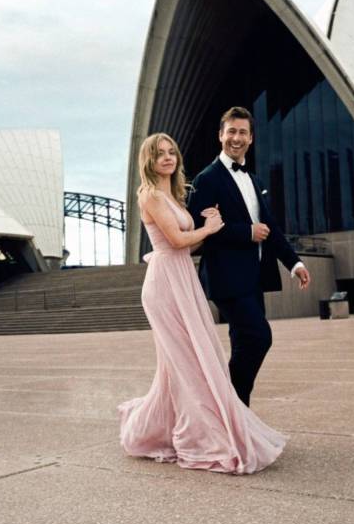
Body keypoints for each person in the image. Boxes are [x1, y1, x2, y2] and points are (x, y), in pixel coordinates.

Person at [118, 132, 287, 474]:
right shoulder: (150, 195)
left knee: (184, 363)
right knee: (188, 362)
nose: (167, 158)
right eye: (159, 154)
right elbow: (179, 240)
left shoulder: (173, 195)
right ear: (148, 161)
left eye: (171, 152)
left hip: (182, 278)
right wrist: (210, 228)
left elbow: (187, 245)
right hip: (165, 284)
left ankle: (158, 427)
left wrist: (213, 225)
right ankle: (199, 436)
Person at [187, 106, 310, 407]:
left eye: (242, 132)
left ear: (251, 138)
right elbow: (198, 230)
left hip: (253, 277)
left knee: (244, 344)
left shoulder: (253, 181)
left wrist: (294, 263)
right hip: (226, 277)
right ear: (220, 135)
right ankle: (228, 404)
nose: (236, 138)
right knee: (259, 337)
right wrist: (246, 232)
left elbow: (271, 228)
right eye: (231, 131)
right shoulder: (207, 179)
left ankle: (234, 416)